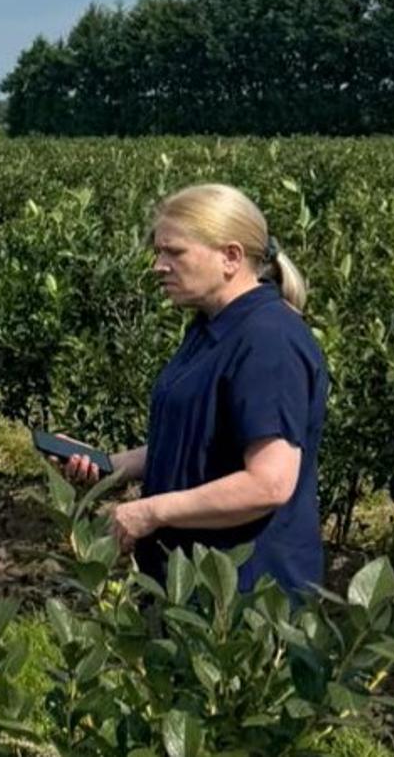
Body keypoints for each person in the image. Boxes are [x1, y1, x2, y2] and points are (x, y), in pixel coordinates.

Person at [54, 183, 328, 595]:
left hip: (242, 595)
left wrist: (152, 511)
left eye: (174, 253)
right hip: (191, 582)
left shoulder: (268, 341)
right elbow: (200, 441)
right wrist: (107, 466)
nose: (158, 266)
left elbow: (268, 483)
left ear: (231, 257)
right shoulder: (210, 328)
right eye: (158, 252)